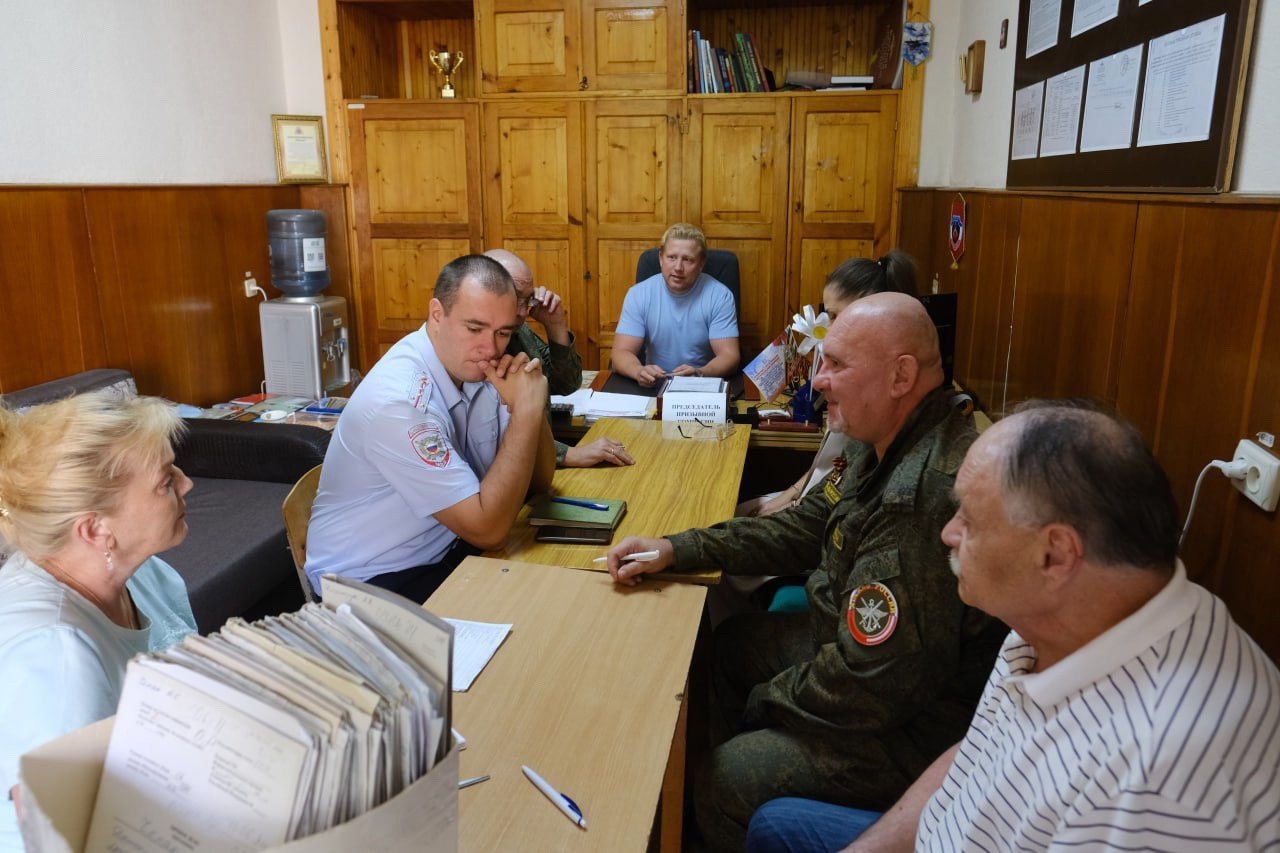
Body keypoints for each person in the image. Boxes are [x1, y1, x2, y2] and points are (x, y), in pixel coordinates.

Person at [777, 401, 1280, 852]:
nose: (948, 533)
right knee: (773, 824)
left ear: (1055, 554)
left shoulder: (1159, 791)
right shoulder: (1058, 614)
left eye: (970, 521)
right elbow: (977, 758)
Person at [606, 292, 1007, 851]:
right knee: (731, 647)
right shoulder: (884, 438)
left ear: (900, 376)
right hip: (851, 651)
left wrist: (771, 702)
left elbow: (875, 684)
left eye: (837, 365)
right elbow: (804, 526)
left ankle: (724, 810)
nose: (818, 380)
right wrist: (679, 548)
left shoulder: (921, 497)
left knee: (725, 780)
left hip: (914, 725)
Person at [0, 392, 198, 851]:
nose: (186, 484)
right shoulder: (56, 655)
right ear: (95, 529)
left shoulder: (145, 574)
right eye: (165, 480)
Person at [305, 254, 556, 603]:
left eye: (503, 333)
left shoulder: (478, 367)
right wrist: (525, 412)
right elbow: (489, 531)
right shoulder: (400, 403)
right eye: (474, 328)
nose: (490, 348)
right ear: (437, 314)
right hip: (373, 582)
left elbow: (540, 481)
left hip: (447, 550)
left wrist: (529, 400)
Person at [739, 250, 918, 518]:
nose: (829, 327)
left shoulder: (872, 391)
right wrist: (788, 496)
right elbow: (828, 464)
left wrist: (788, 507)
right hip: (815, 498)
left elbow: (840, 496)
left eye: (835, 316)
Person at [484, 248, 634, 470]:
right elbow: (491, 435)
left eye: (528, 300)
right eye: (516, 298)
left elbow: (566, 384)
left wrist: (555, 326)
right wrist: (568, 454)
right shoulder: (477, 348)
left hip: (539, 465)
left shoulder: (519, 331)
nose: (523, 312)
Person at [612, 223, 739, 386]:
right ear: (660, 258)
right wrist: (638, 371)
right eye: (671, 257)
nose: (678, 267)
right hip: (654, 383)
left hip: (702, 383)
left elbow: (729, 356)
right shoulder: (638, 294)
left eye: (688, 259)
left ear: (701, 264)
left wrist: (700, 373)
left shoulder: (719, 296)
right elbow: (621, 352)